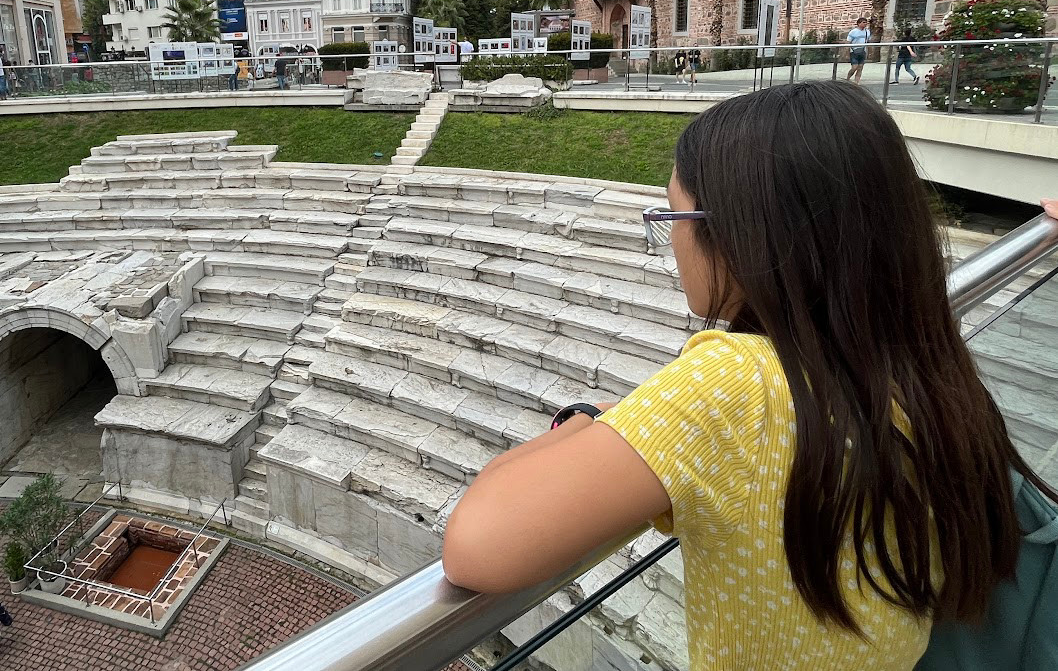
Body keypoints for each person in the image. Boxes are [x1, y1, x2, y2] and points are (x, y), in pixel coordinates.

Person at [443, 80, 1055, 670]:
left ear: (740, 237)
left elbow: (477, 546)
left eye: (674, 218)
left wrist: (576, 426)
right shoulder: (920, 365)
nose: (674, 243)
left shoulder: (739, 383)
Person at [845, 16, 871, 83]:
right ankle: (847, 79)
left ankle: (856, 82)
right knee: (854, 67)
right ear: (859, 23)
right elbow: (848, 42)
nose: (865, 24)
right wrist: (847, 53)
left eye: (866, 22)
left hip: (863, 51)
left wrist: (868, 52)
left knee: (860, 67)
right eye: (863, 22)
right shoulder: (853, 32)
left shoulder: (867, 32)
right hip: (854, 51)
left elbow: (868, 42)